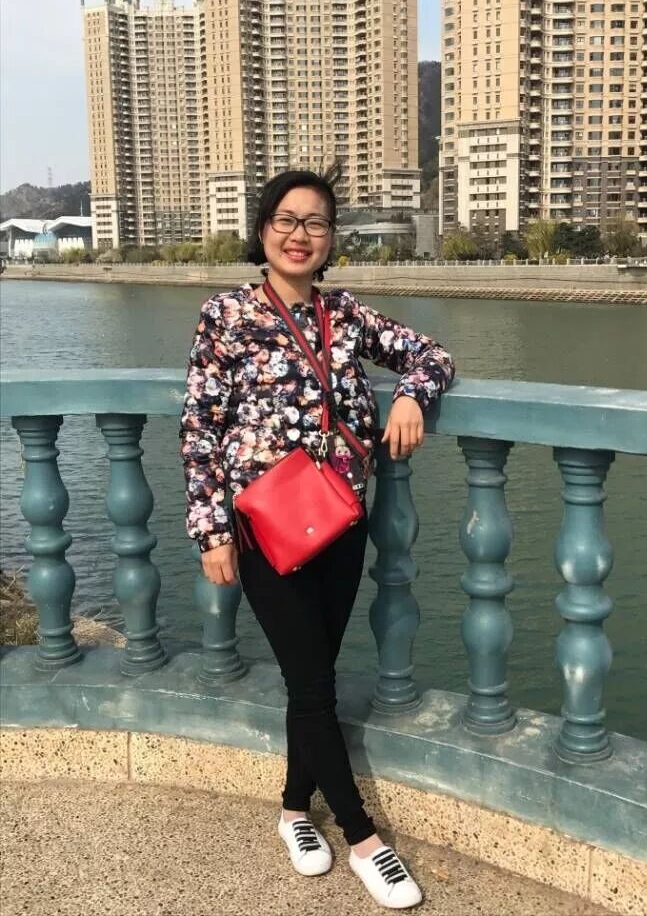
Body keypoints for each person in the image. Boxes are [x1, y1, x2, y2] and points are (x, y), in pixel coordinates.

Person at [180, 167, 454, 910]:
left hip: (339, 521)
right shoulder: (227, 315)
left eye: (316, 223)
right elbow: (200, 427)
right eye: (286, 219)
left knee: (315, 677)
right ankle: (365, 839)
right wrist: (211, 530)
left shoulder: (347, 315)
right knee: (312, 684)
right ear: (262, 229)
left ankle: (294, 808)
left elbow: (433, 355)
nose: (299, 235)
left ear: (331, 239)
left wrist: (410, 395)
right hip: (265, 525)